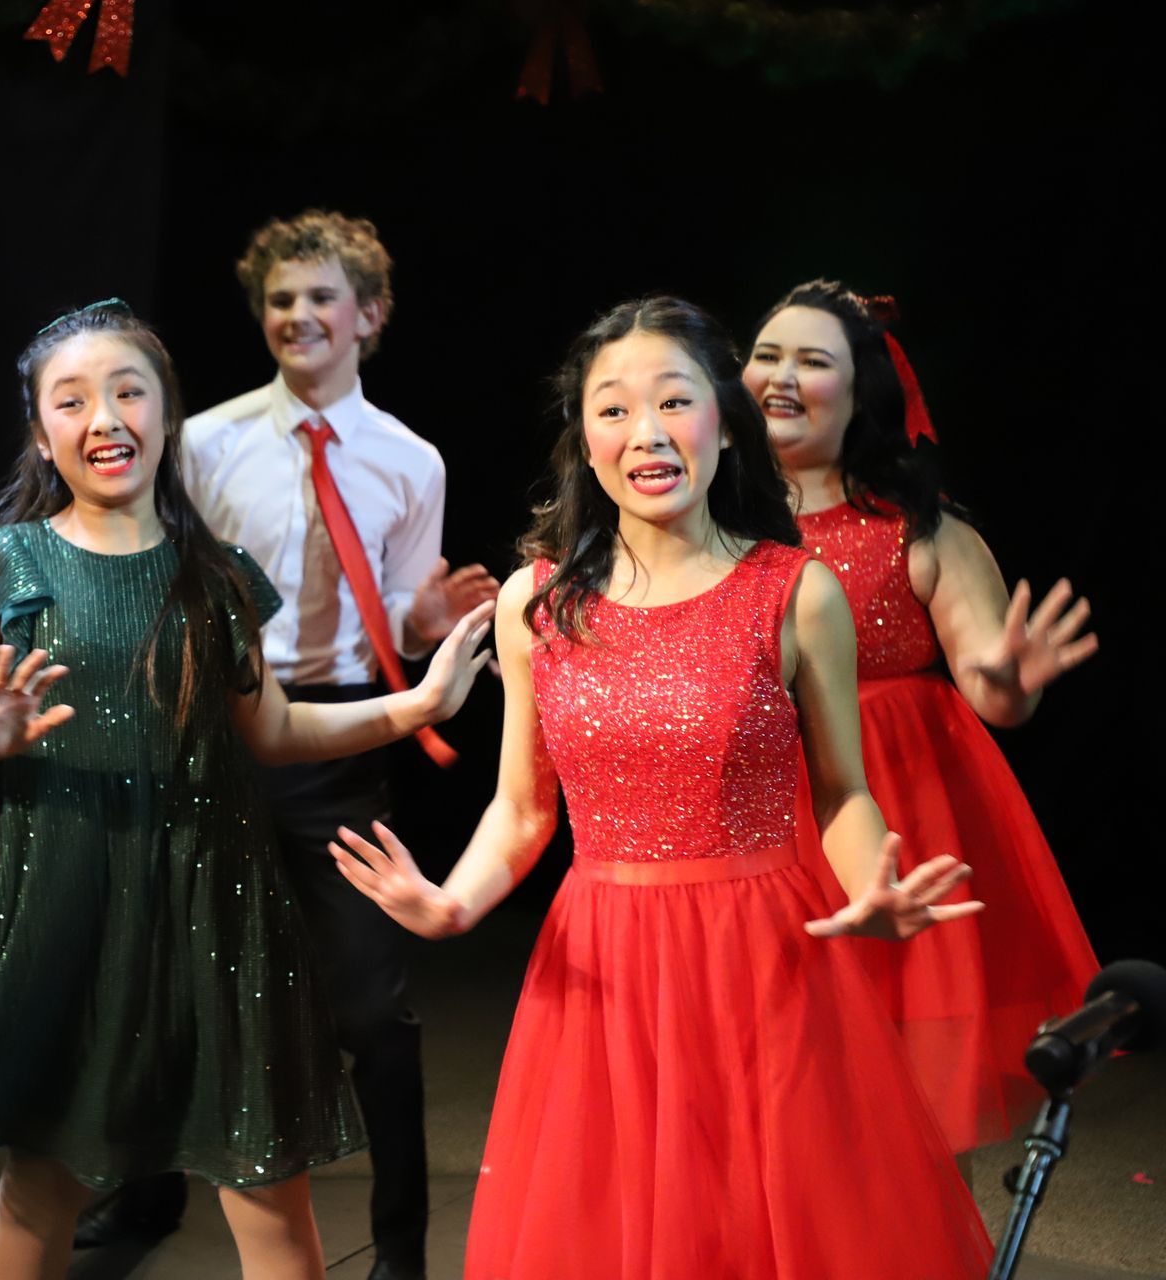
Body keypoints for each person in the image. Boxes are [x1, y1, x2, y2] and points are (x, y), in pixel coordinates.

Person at [332, 297, 993, 1278]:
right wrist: (453, 902)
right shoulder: (537, 602)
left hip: (764, 954)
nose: (645, 430)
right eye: (614, 409)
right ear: (585, 443)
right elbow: (523, 807)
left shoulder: (796, 589)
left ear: (724, 425)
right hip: (605, 965)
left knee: (768, 1223)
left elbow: (840, 793)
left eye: (674, 401)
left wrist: (870, 885)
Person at [0, 299, 493, 1280]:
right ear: (40, 431)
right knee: (38, 1194)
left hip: (221, 915)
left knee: (270, 1193)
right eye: (72, 400)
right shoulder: (6, 563)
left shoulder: (213, 576)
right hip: (72, 920)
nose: (105, 418)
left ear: (166, 414)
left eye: (129, 392)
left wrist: (416, 704)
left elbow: (275, 731)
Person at [101, 211, 494, 1280]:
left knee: (372, 1007)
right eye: (281, 299)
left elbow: (401, 611)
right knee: (172, 978)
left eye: (322, 297)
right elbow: (166, 580)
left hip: (342, 738)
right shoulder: (206, 443)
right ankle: (145, 1192)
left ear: (369, 315)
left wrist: (429, 617)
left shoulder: (410, 460)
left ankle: (402, 1243)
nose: (298, 315)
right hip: (220, 725)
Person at [744, 279, 1100, 1152]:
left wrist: (1011, 682)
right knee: (770, 1078)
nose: (781, 376)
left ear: (861, 391)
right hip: (754, 816)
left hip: (893, 805)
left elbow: (992, 689)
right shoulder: (704, 526)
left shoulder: (920, 531)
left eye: (810, 361)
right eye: (766, 355)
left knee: (908, 1097)